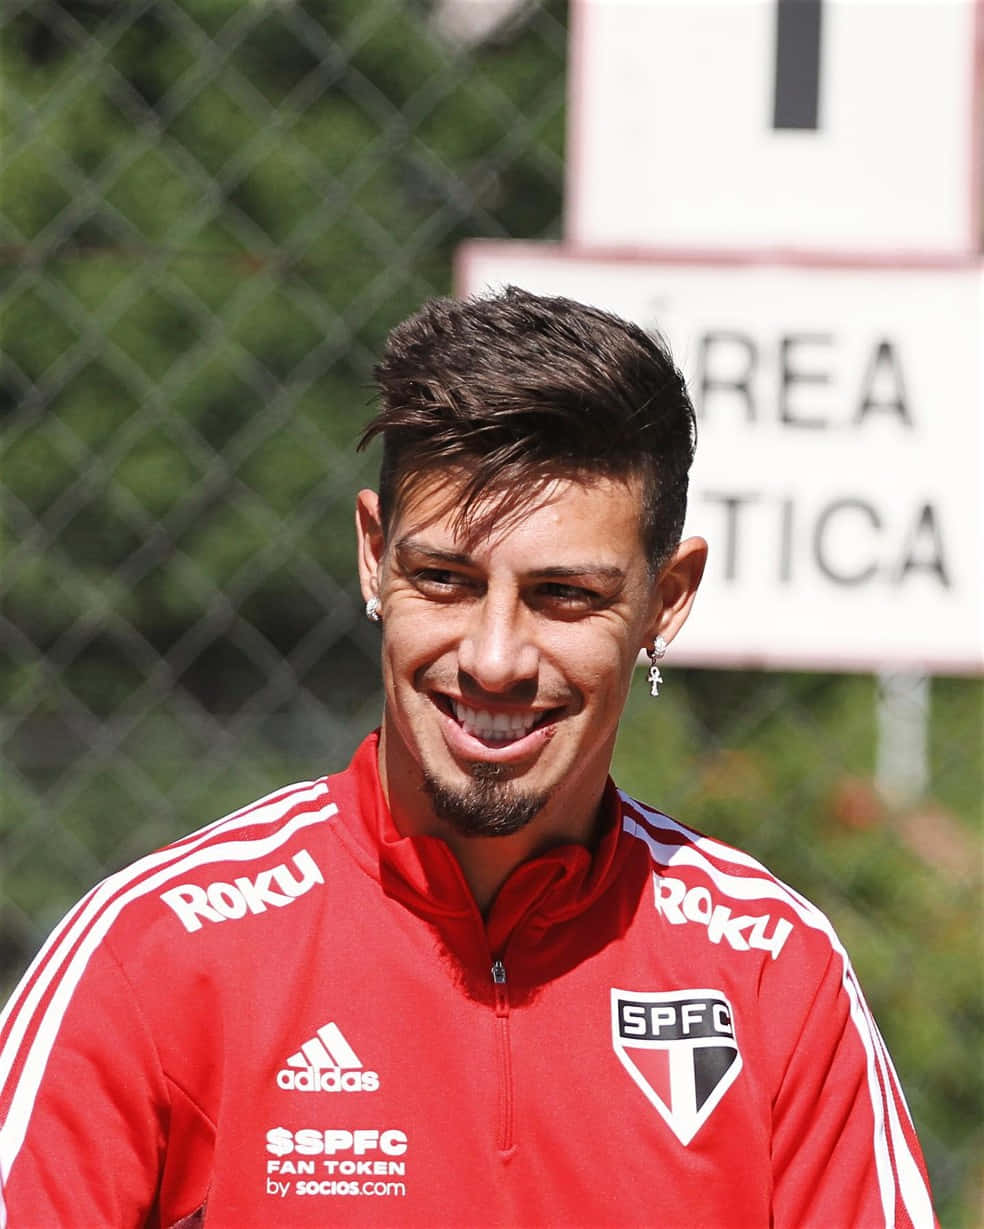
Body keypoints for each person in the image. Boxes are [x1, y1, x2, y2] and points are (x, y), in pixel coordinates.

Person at [0, 287, 936, 1228]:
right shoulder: (155, 954)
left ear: (668, 597)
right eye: (444, 579)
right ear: (374, 556)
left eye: (565, 593)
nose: (493, 658)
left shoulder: (774, 973)